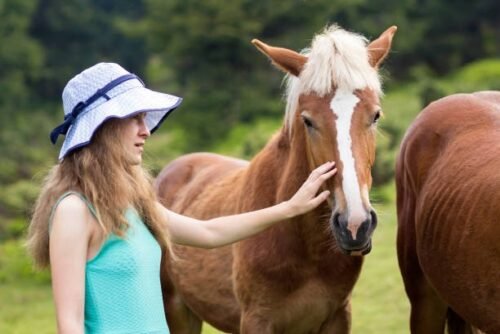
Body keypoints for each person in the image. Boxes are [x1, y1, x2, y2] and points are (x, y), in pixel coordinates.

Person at [26, 62, 337, 334]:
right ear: (102, 127)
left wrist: (289, 208)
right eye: (134, 119)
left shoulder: (133, 202)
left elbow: (209, 232)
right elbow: (69, 324)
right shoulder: (73, 210)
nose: (145, 130)